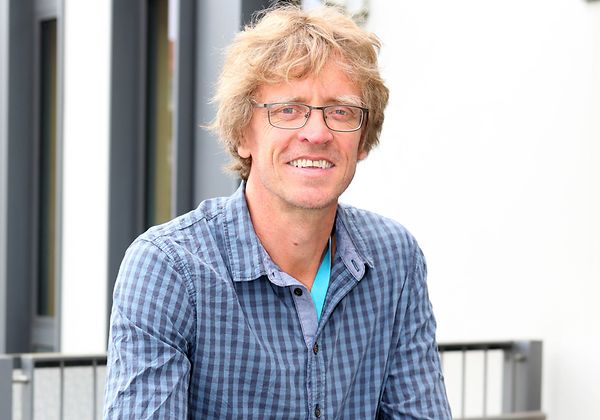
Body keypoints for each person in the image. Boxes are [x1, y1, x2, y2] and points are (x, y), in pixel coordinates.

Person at [104, 5, 451, 419]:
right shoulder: (169, 268)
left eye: (341, 111)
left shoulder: (395, 258)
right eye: (288, 110)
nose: (317, 133)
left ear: (362, 140)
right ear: (242, 134)